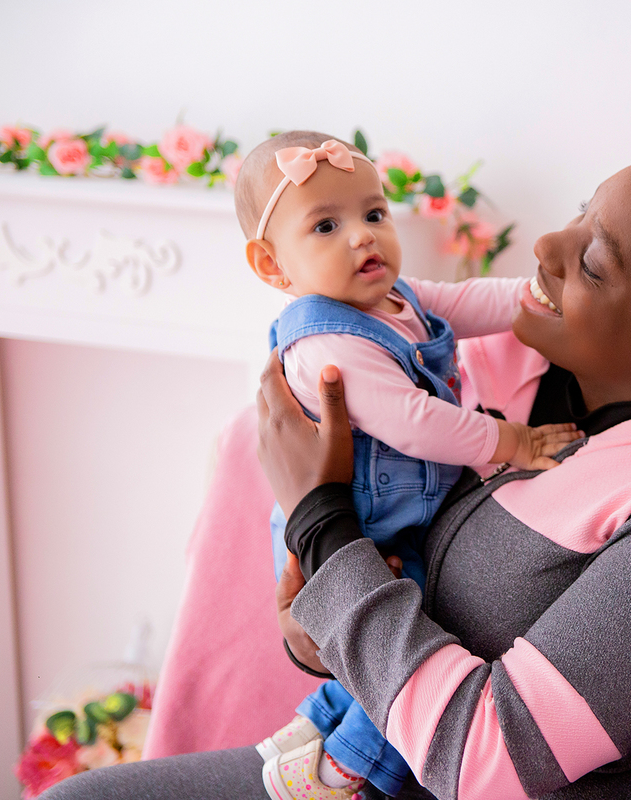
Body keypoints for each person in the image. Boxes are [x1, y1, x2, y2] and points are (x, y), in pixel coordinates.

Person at [42, 142, 631, 800]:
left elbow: (485, 754)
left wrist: (319, 519)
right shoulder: (563, 404)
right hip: (355, 758)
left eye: (596, 258)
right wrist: (319, 624)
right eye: (579, 213)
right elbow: (417, 596)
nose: (548, 243)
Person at [233, 130, 581, 798]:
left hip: (395, 514)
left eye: (373, 214)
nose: (363, 237)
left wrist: (537, 297)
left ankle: (312, 725)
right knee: (416, 636)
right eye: (327, 226)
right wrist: (515, 442)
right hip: (355, 524)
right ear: (274, 267)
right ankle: (353, 773)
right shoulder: (326, 341)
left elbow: (473, 301)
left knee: (401, 630)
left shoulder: (396, 301)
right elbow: (415, 424)